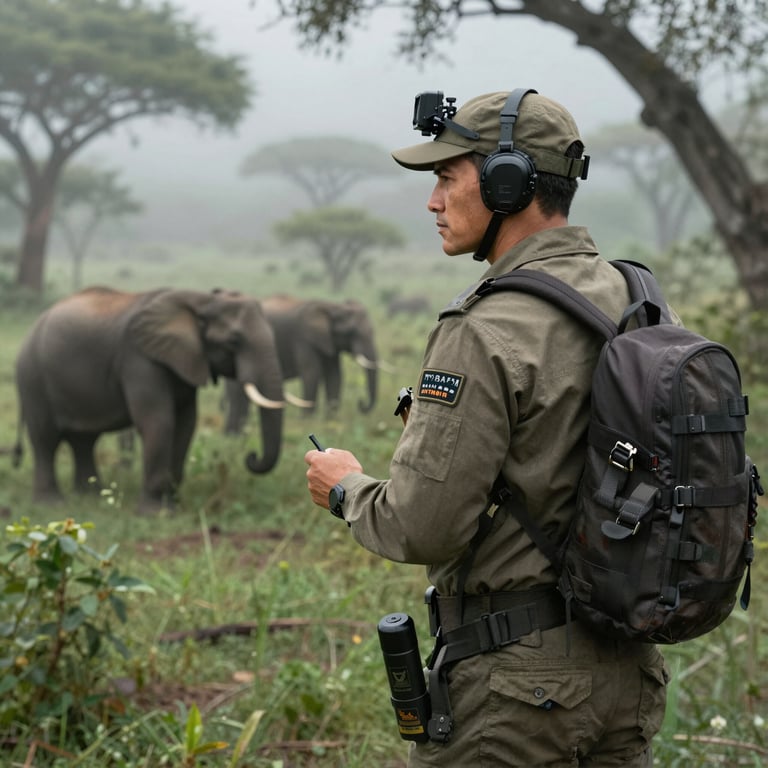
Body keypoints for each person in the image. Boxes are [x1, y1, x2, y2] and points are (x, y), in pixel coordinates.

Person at [304, 89, 669, 767]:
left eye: (446, 177)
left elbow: (423, 526)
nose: (433, 201)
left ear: (508, 180)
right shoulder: (635, 298)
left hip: (515, 692)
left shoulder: (485, 329)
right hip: (628, 672)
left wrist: (345, 488)